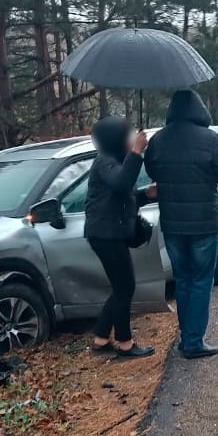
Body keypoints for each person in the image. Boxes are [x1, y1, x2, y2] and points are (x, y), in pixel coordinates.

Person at [145, 90, 218, 359]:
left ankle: (187, 337)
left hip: (172, 223)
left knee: (183, 280)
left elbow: (152, 171)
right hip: (203, 223)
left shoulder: (159, 139)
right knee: (200, 281)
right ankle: (194, 342)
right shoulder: (209, 139)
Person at [84, 116, 154, 358]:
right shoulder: (105, 161)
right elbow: (121, 183)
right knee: (125, 287)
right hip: (105, 235)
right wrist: (136, 152)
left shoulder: (114, 160)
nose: (132, 137)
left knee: (120, 287)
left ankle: (101, 339)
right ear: (116, 138)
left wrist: (147, 195)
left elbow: (123, 198)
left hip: (108, 233)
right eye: (128, 135)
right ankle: (125, 343)